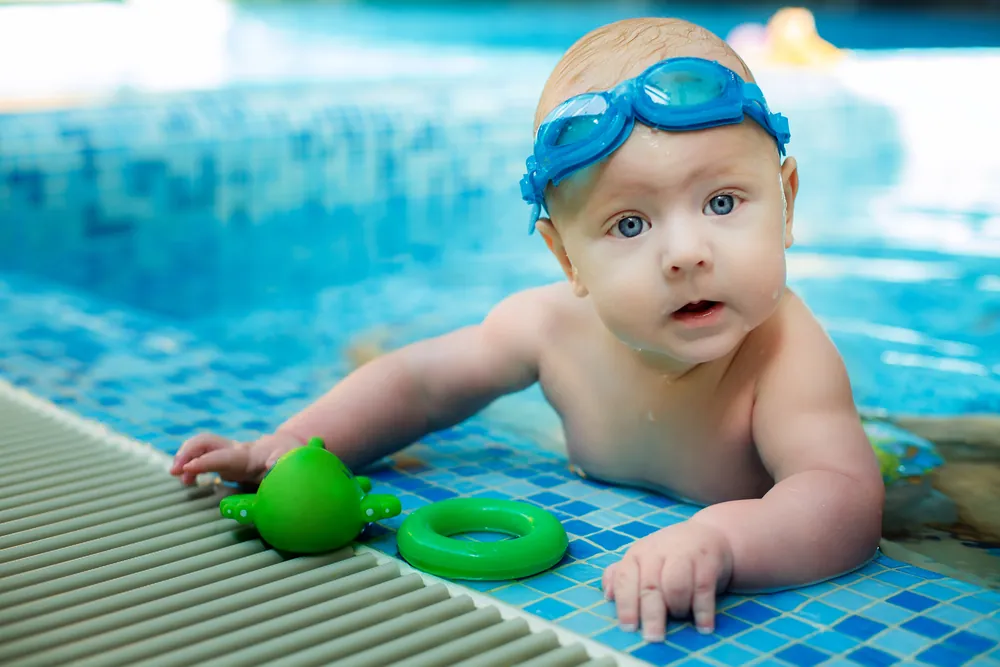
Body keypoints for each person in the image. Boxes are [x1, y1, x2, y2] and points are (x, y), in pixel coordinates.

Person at [171, 17, 884, 642]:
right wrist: (295, 444)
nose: (686, 252)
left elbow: (844, 498)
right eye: (629, 223)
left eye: (723, 202)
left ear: (786, 202)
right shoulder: (549, 327)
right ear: (565, 255)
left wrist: (724, 540)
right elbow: (419, 383)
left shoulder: (786, 356)